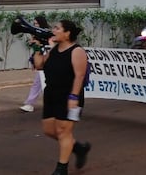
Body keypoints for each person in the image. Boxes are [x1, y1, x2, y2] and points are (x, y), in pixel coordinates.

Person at [31, 20, 91, 175]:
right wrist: (37, 46)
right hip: (51, 94)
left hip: (70, 96)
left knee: (63, 132)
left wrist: (73, 97)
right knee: (49, 130)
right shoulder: (54, 49)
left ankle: (61, 169)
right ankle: (78, 148)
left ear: (67, 33)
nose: (53, 30)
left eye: (57, 28)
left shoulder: (77, 51)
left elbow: (80, 76)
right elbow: (39, 65)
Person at [20, 16, 51, 113]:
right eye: (34, 23)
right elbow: (36, 50)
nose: (35, 25)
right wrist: (34, 61)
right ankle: (29, 103)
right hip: (40, 60)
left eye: (36, 23)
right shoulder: (35, 34)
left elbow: (50, 46)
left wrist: (39, 44)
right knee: (37, 83)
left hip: (49, 59)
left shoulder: (47, 33)